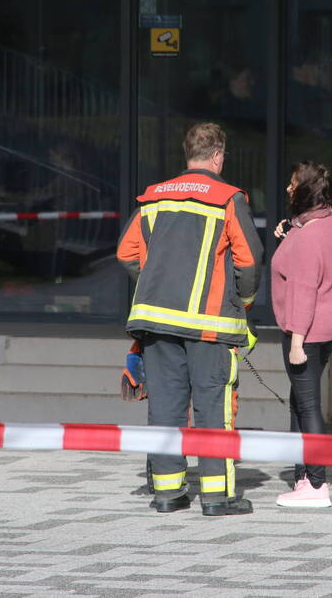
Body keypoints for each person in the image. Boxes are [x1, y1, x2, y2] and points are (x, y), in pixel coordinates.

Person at [117, 122, 264, 516]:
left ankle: (168, 494)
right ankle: (217, 498)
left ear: (189, 154)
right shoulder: (227, 198)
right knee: (214, 408)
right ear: (218, 156)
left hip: (156, 322)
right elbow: (249, 261)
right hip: (209, 325)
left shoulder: (154, 197)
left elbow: (126, 253)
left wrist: (158, 281)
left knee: (165, 406)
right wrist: (243, 302)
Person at [270, 161, 332, 507]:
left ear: (305, 191)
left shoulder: (309, 236)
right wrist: (290, 228)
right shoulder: (331, 222)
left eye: (293, 184)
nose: (288, 189)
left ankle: (316, 484)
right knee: (300, 403)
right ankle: (303, 477)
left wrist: (296, 341)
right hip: (330, 327)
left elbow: (304, 289)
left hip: (306, 331)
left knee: (306, 406)